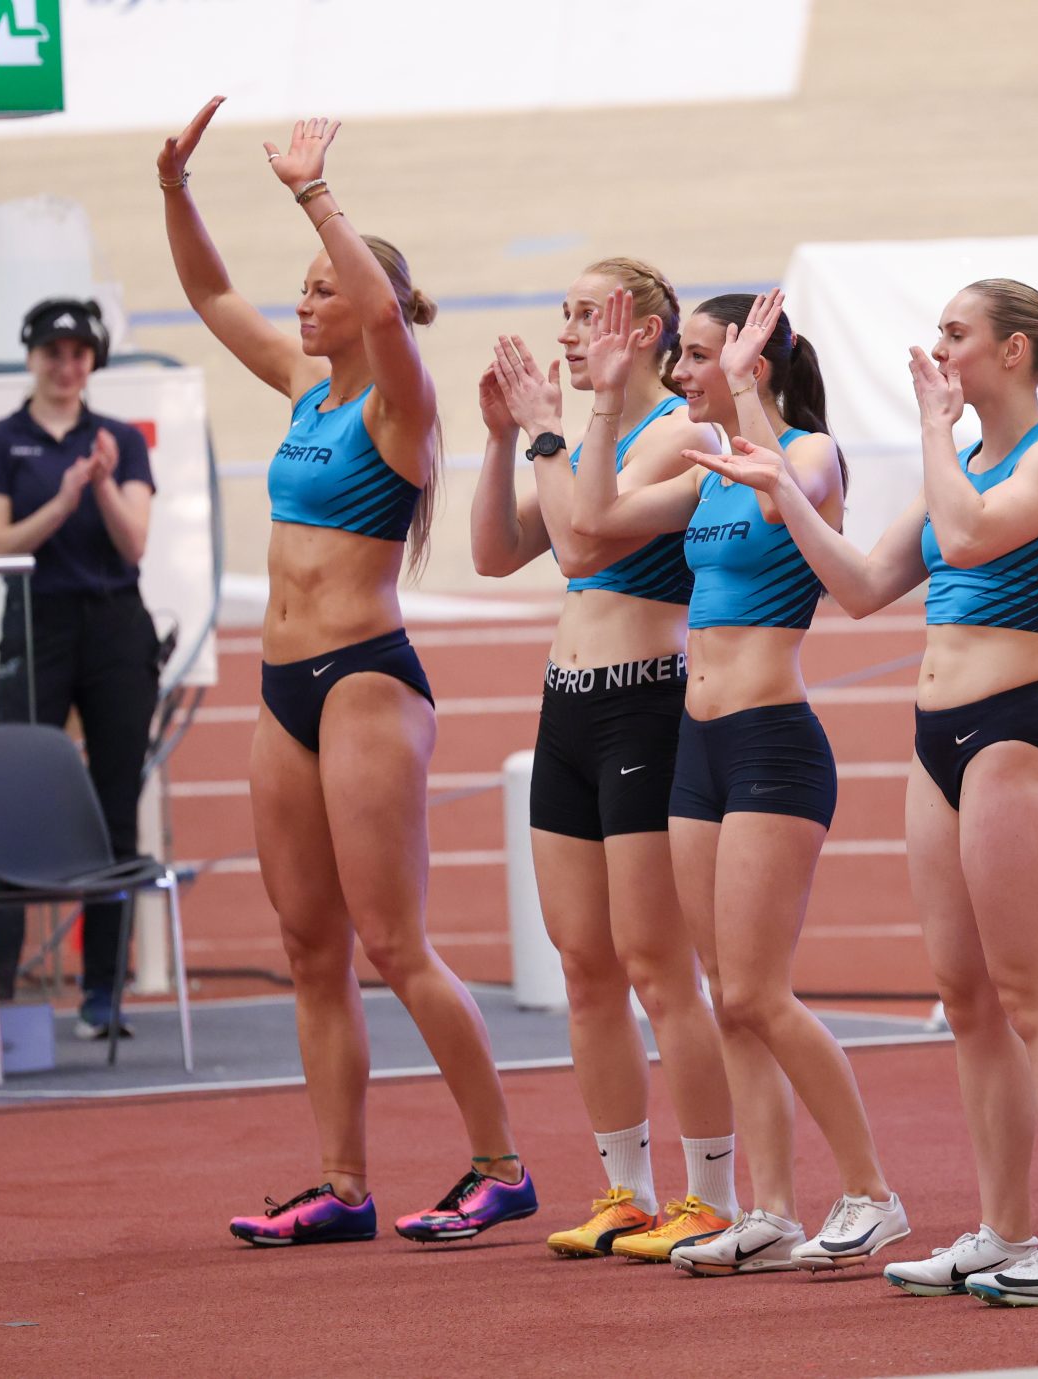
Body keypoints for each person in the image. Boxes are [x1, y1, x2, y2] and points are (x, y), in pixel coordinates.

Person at [687, 279, 1038, 1306]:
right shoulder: (956, 465)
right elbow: (860, 586)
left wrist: (931, 429)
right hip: (938, 745)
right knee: (966, 1000)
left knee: (1035, 1000)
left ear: (1012, 352)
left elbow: (966, 540)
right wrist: (783, 489)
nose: (938, 351)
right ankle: (1002, 1229)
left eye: (956, 335)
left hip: (1014, 738)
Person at [157, 97, 534, 1247]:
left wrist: (315, 195)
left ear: (374, 306)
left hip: (366, 679)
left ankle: (501, 1164)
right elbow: (212, 296)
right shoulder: (302, 386)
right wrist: (174, 188)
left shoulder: (400, 406)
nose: (304, 303)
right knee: (309, 947)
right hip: (284, 690)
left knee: (393, 942)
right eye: (304, 288)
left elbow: (375, 306)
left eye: (322, 288)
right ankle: (343, 1183)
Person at [568, 286, 908, 1276]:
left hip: (772, 744)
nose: (679, 373)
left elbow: (780, 498)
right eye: (677, 357)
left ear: (749, 362)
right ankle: (770, 1208)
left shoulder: (808, 454)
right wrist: (603, 401)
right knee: (727, 996)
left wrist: (751, 390)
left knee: (760, 990)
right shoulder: (706, 468)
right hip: (697, 748)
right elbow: (594, 520)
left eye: (697, 356)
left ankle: (872, 1191)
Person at [475, 261, 739, 1262]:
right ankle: (626, 1189)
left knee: (657, 967)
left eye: (589, 314)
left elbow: (585, 545)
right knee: (584, 966)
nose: (569, 332)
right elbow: (496, 552)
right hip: (568, 709)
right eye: (566, 314)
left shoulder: (674, 431)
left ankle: (710, 1193)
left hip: (644, 708)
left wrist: (551, 428)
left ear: (647, 331)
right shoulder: (579, 439)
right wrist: (502, 438)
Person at [0, 296, 160, 1039]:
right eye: (53, 351)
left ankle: (103, 992)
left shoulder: (119, 441)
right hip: (36, 623)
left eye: (78, 353)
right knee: (13, 803)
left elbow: (135, 543)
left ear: (93, 362)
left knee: (115, 808)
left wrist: (102, 483)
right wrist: (66, 495)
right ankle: (0, 992)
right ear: (32, 356)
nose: (66, 365)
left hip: (115, 628)